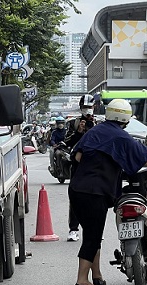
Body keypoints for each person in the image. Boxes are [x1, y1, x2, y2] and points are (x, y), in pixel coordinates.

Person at [68, 99, 147, 285]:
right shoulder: (121, 137)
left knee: (92, 234)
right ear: (126, 118)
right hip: (95, 192)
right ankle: (81, 281)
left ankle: (97, 276)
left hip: (77, 190)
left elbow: (77, 157)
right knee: (93, 236)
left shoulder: (95, 131)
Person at [63, 94, 96, 242]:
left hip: (95, 164)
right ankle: (73, 229)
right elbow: (67, 142)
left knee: (95, 197)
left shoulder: (100, 123)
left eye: (89, 107)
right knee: (76, 196)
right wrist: (79, 132)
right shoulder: (73, 123)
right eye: (84, 108)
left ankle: (93, 229)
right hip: (78, 163)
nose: (87, 110)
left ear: (94, 107)